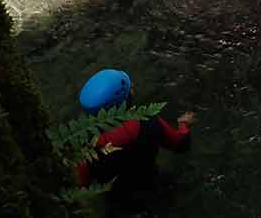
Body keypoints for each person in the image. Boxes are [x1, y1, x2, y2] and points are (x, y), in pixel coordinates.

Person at [75, 69, 195, 213]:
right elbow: (181, 144)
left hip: (118, 206)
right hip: (154, 192)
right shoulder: (149, 122)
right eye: (129, 88)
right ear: (123, 101)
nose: (133, 87)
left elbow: (80, 186)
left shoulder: (86, 145)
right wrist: (184, 124)